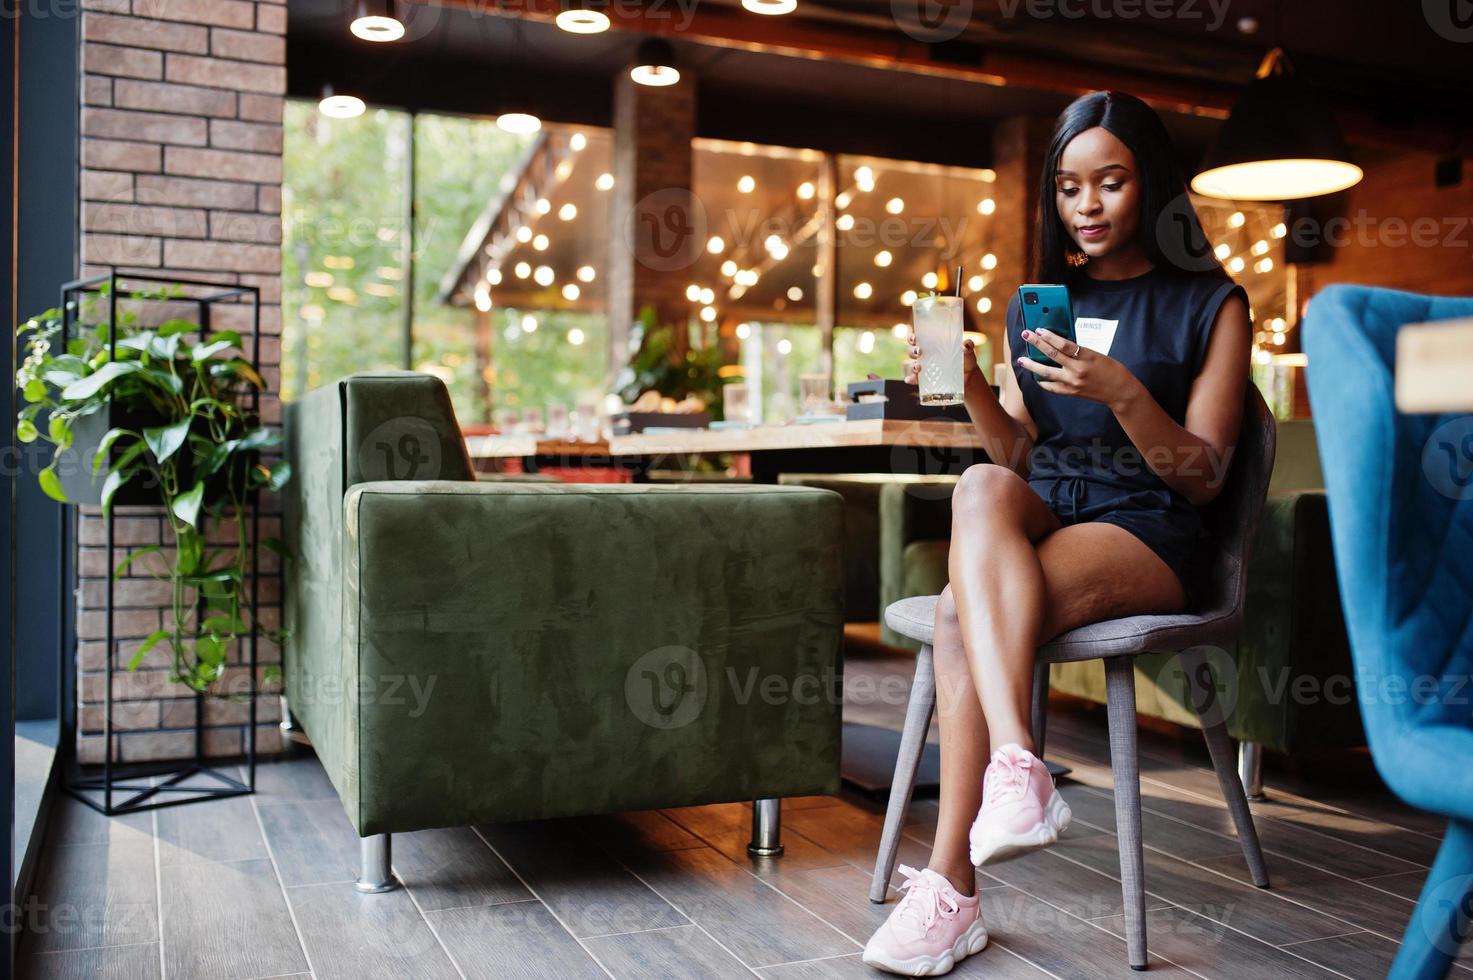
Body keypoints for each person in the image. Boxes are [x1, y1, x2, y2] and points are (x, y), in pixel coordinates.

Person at [861, 89, 1251, 976]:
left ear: (1150, 184)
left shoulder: (1210, 305)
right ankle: (1016, 763)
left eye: (1109, 183)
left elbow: (1204, 472)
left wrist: (1120, 392)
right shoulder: (1037, 304)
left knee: (965, 617)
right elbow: (1018, 451)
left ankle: (950, 891)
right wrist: (965, 385)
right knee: (977, 483)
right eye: (1069, 188)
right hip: (1052, 507)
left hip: (1149, 525)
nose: (1086, 206)